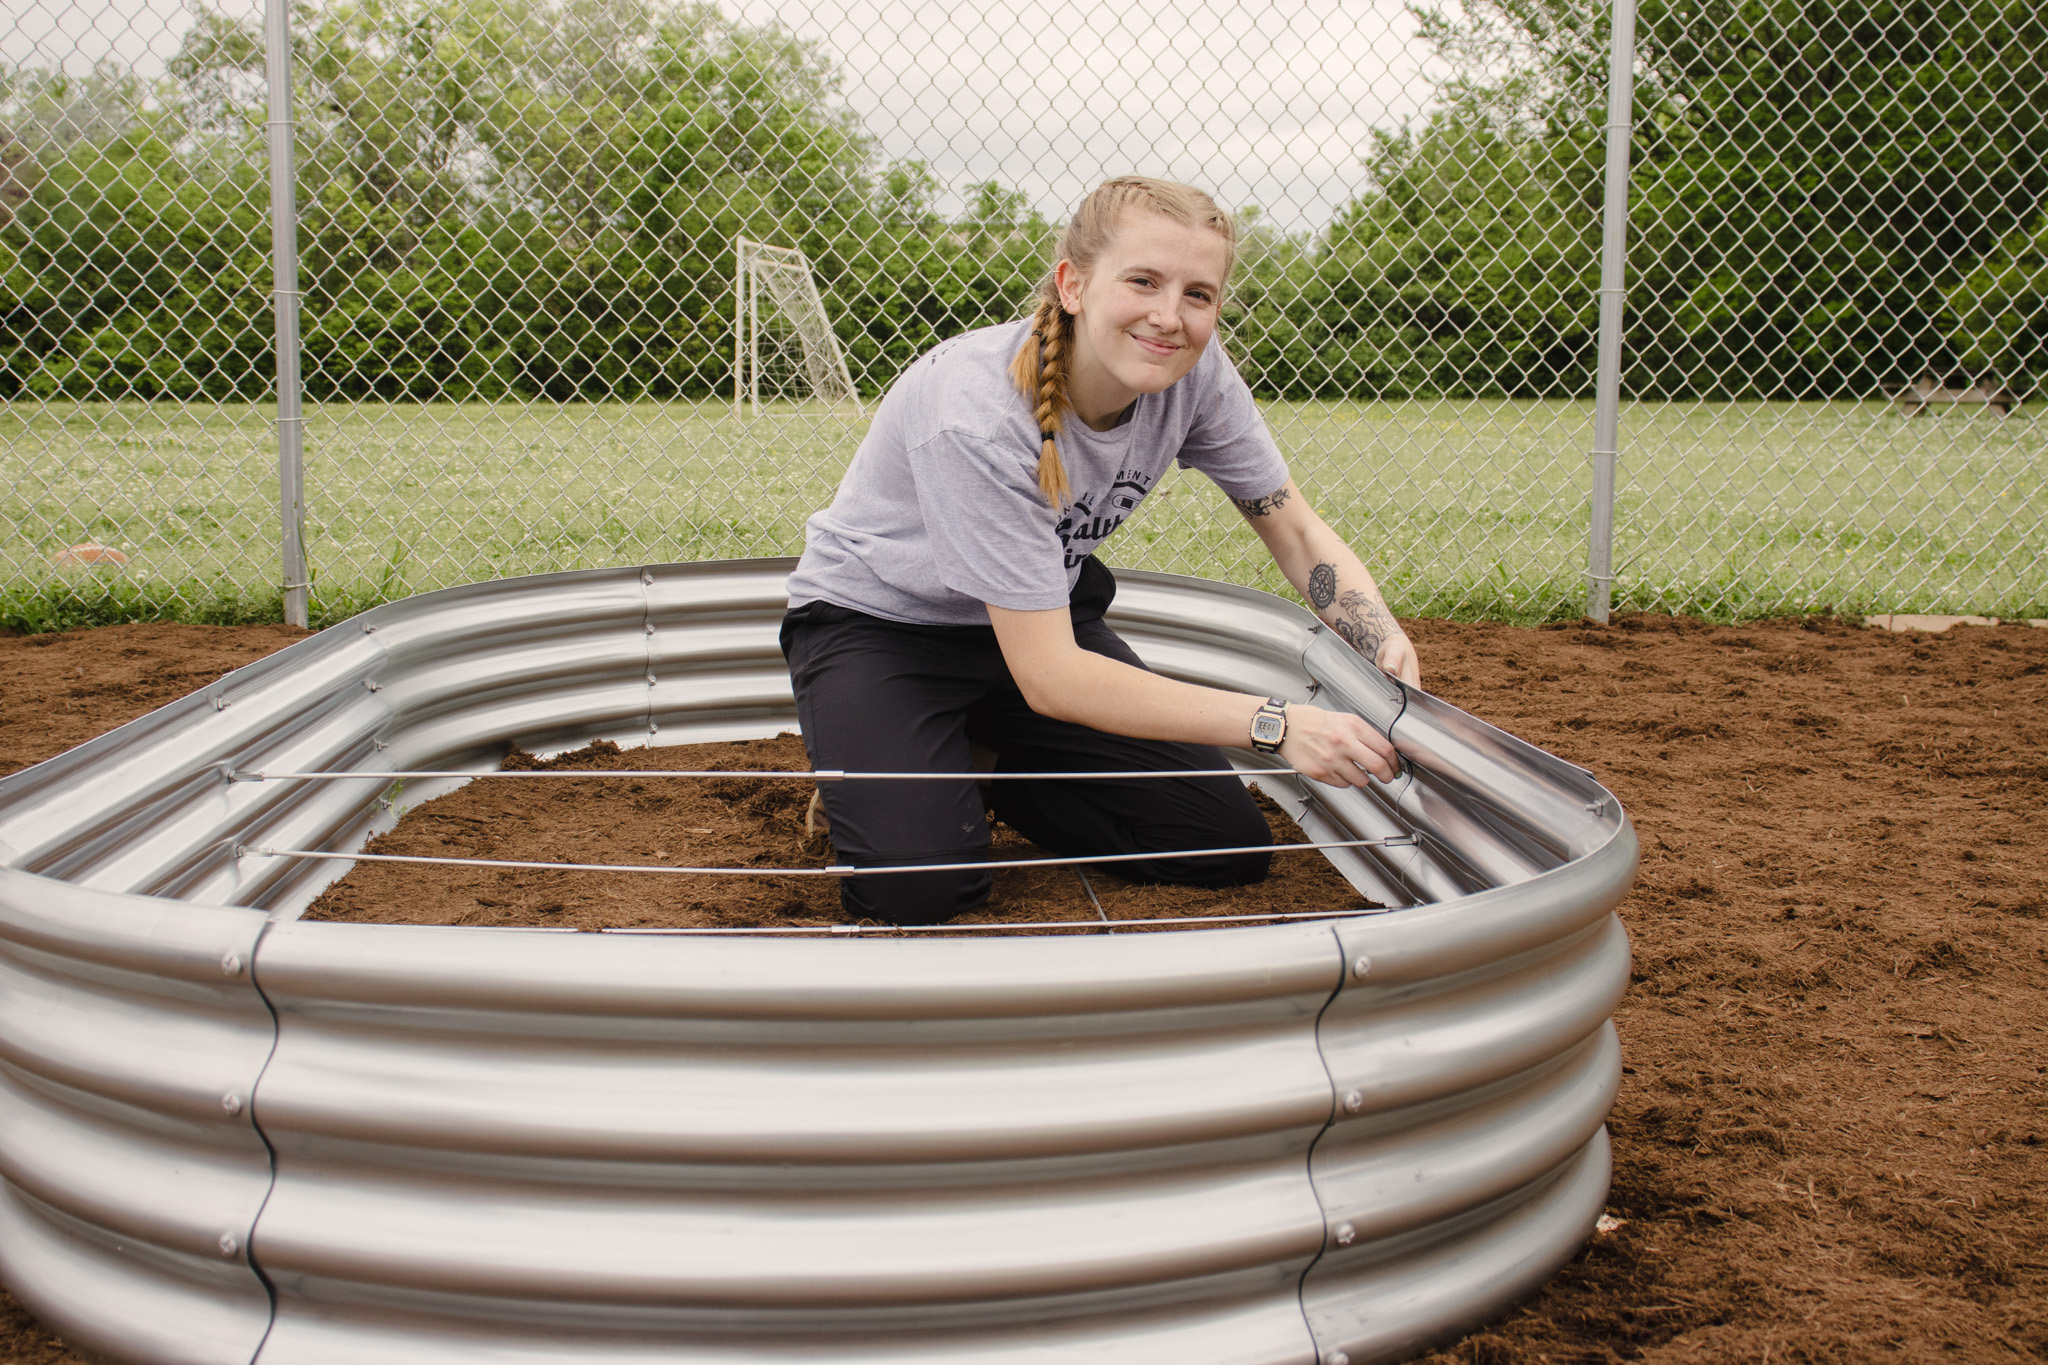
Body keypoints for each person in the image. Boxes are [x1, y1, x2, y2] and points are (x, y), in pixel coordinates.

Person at [780, 175, 1422, 926]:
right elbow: (1053, 679)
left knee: (1218, 845)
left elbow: (1295, 528)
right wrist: (1275, 722)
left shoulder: (1197, 378)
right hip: (884, 631)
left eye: (1198, 295)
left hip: (1039, 622)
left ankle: (976, 757)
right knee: (918, 892)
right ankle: (902, 763)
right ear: (1073, 285)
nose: (1169, 317)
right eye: (1143, 281)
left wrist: (1378, 634)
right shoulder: (975, 416)